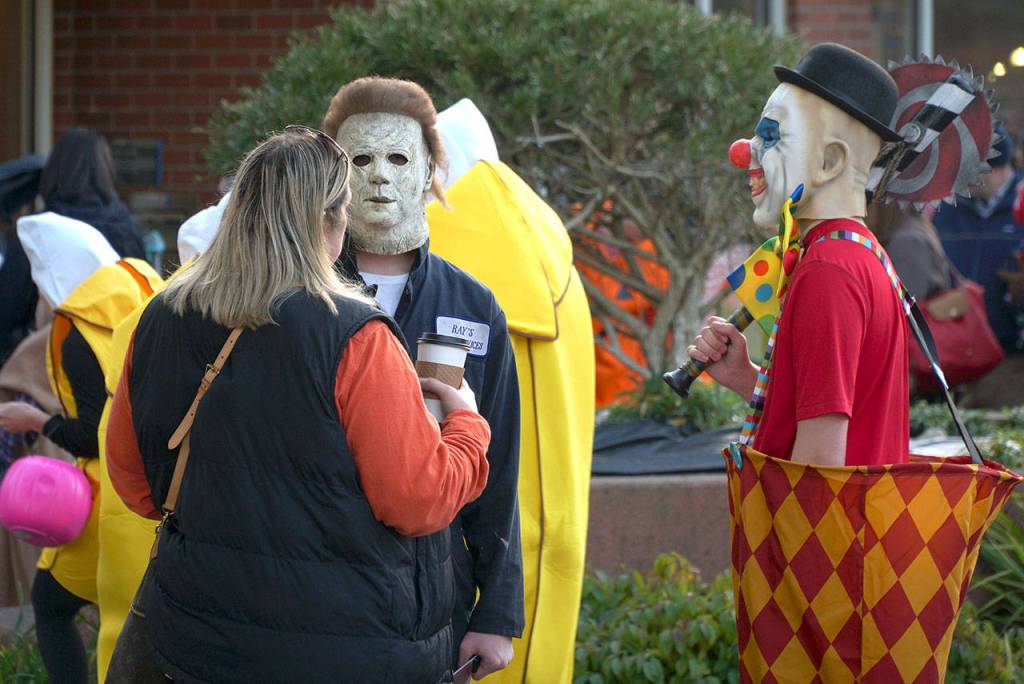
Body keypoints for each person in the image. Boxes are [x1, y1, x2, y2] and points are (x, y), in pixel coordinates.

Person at [105, 128, 490, 682]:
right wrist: (466, 427)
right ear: (332, 222)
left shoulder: (159, 318)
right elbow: (416, 501)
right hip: (344, 646)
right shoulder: (358, 337)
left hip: (193, 639)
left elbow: (139, 487)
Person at [322, 77, 524, 679]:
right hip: (318, 589)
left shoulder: (473, 305)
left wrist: (498, 611)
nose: (380, 176)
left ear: (433, 168)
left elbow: (501, 462)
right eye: (361, 159)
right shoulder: (300, 295)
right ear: (334, 176)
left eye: (398, 157)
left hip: (433, 594)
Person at [689, 43, 909, 467]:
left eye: (770, 137)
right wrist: (747, 379)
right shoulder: (860, 255)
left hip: (829, 533)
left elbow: (819, 470)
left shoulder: (829, 271)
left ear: (829, 161)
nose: (745, 153)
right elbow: (837, 409)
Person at [0, 211, 158, 684]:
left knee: (51, 605)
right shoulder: (143, 294)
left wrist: (38, 420)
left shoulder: (77, 334)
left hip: (111, 502)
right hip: (159, 497)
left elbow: (97, 435)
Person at [0, 128, 146, 363]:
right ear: (105, 172)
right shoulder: (127, 231)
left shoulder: (35, 232)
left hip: (46, 367)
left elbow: (6, 314)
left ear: (53, 173)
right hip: (114, 364)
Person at [933, 129, 1024, 354]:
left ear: (994, 167)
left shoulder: (1020, 207)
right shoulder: (947, 209)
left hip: (1011, 353)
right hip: (959, 351)